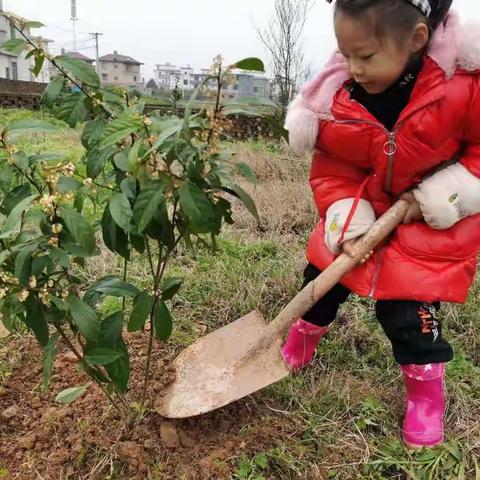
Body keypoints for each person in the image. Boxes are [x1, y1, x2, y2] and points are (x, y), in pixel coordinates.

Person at [281, 0, 480, 449]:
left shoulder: (463, 89)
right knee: (320, 283)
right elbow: (332, 169)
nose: (353, 68)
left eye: (366, 56)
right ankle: (299, 340)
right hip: (361, 211)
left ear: (415, 39)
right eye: (345, 54)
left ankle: (425, 390)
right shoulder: (339, 98)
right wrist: (347, 219)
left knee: (411, 314)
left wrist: (439, 195)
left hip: (430, 224)